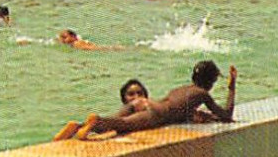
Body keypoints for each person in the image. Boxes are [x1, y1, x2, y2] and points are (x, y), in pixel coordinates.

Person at [53, 60, 237, 140]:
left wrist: (199, 116)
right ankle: (96, 120)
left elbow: (182, 112)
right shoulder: (202, 94)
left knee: (115, 124)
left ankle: (77, 126)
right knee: (121, 125)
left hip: (148, 104)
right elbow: (226, 115)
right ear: (211, 81)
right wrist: (232, 86)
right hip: (156, 113)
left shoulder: (182, 89)